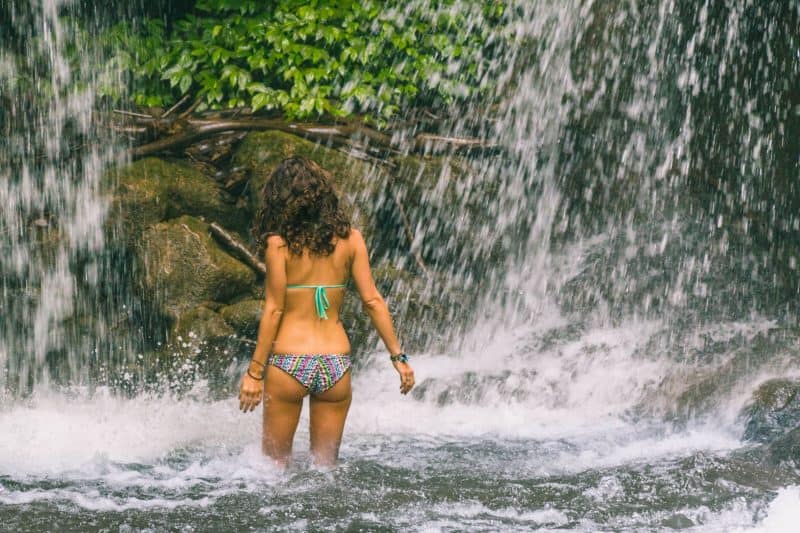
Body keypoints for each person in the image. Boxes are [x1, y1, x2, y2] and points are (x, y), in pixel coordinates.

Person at [238, 155, 415, 467]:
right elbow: (373, 300)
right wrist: (398, 359)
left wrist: (254, 373)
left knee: (273, 469)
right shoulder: (352, 240)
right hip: (335, 365)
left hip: (289, 362)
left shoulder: (278, 245)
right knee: (326, 469)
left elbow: (275, 310)